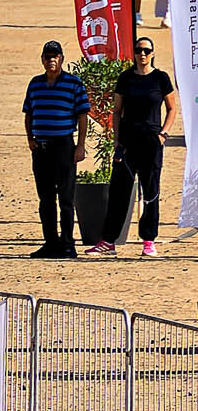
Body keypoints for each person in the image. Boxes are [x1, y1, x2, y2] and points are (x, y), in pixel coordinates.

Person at [97, 37, 177, 257]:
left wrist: (163, 134)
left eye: (146, 51)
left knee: (150, 191)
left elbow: (172, 108)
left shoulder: (161, 78)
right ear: (133, 53)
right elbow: (117, 110)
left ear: (152, 53)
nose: (142, 54)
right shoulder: (126, 78)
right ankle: (109, 241)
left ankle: (149, 241)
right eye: (139, 50)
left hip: (151, 141)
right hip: (127, 142)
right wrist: (117, 140)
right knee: (119, 191)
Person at [22, 40, 89, 259]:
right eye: (48, 57)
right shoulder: (35, 84)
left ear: (61, 59)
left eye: (55, 56)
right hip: (41, 148)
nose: (51, 60)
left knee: (66, 199)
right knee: (46, 199)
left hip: (63, 146)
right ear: (42, 60)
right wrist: (30, 138)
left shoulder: (73, 84)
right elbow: (29, 113)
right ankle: (50, 243)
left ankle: (68, 244)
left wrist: (80, 145)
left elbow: (82, 116)